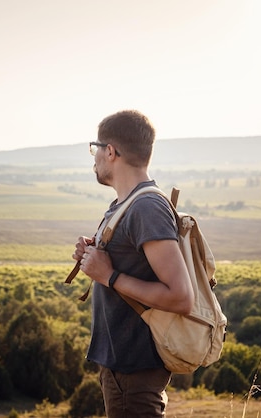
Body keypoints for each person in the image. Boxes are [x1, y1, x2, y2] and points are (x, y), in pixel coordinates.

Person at [73, 110, 194, 417]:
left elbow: (181, 297)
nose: (94, 158)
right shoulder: (126, 204)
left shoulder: (145, 207)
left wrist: (109, 275)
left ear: (110, 151)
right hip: (123, 367)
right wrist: (94, 257)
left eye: (95, 148)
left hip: (134, 369)